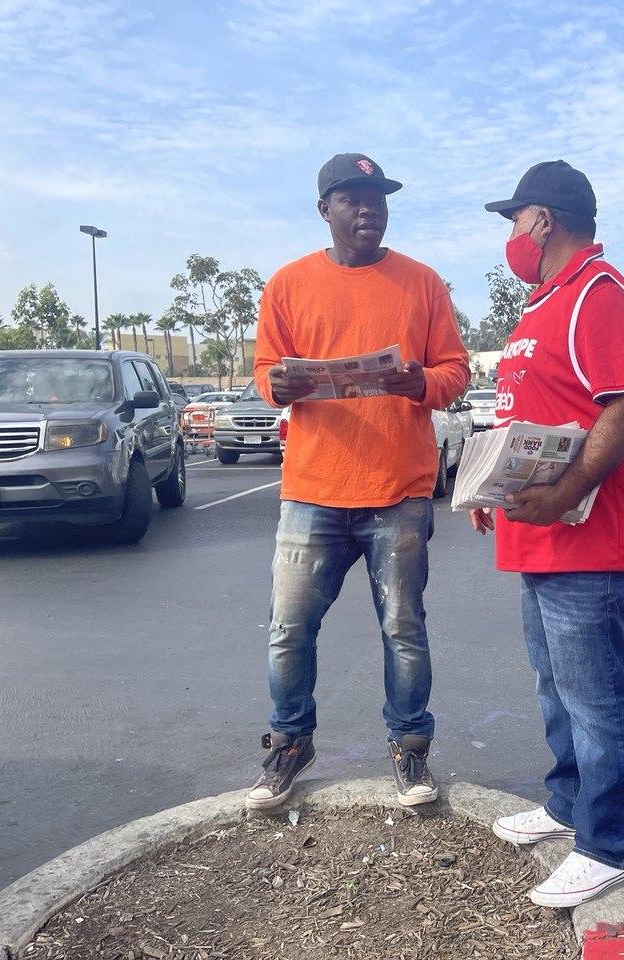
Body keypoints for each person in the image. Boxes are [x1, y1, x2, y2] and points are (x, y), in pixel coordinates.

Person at [246, 153, 470, 812]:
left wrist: (421, 382)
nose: (369, 208)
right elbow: (265, 370)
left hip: (398, 491)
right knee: (289, 629)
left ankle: (410, 746)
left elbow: (455, 370)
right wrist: (277, 384)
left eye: (378, 197)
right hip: (311, 491)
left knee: (403, 628)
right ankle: (290, 741)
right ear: (325, 209)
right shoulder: (288, 284)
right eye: (353, 198)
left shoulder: (422, 283)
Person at [470, 160, 624, 908]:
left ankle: (605, 845)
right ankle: (566, 804)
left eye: (515, 220)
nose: (512, 235)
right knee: (555, 686)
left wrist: (568, 491)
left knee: (595, 697)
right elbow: (536, 417)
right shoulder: (544, 303)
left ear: (542, 220)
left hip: (590, 542)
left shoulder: (599, 296)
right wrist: (492, 485)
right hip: (540, 540)